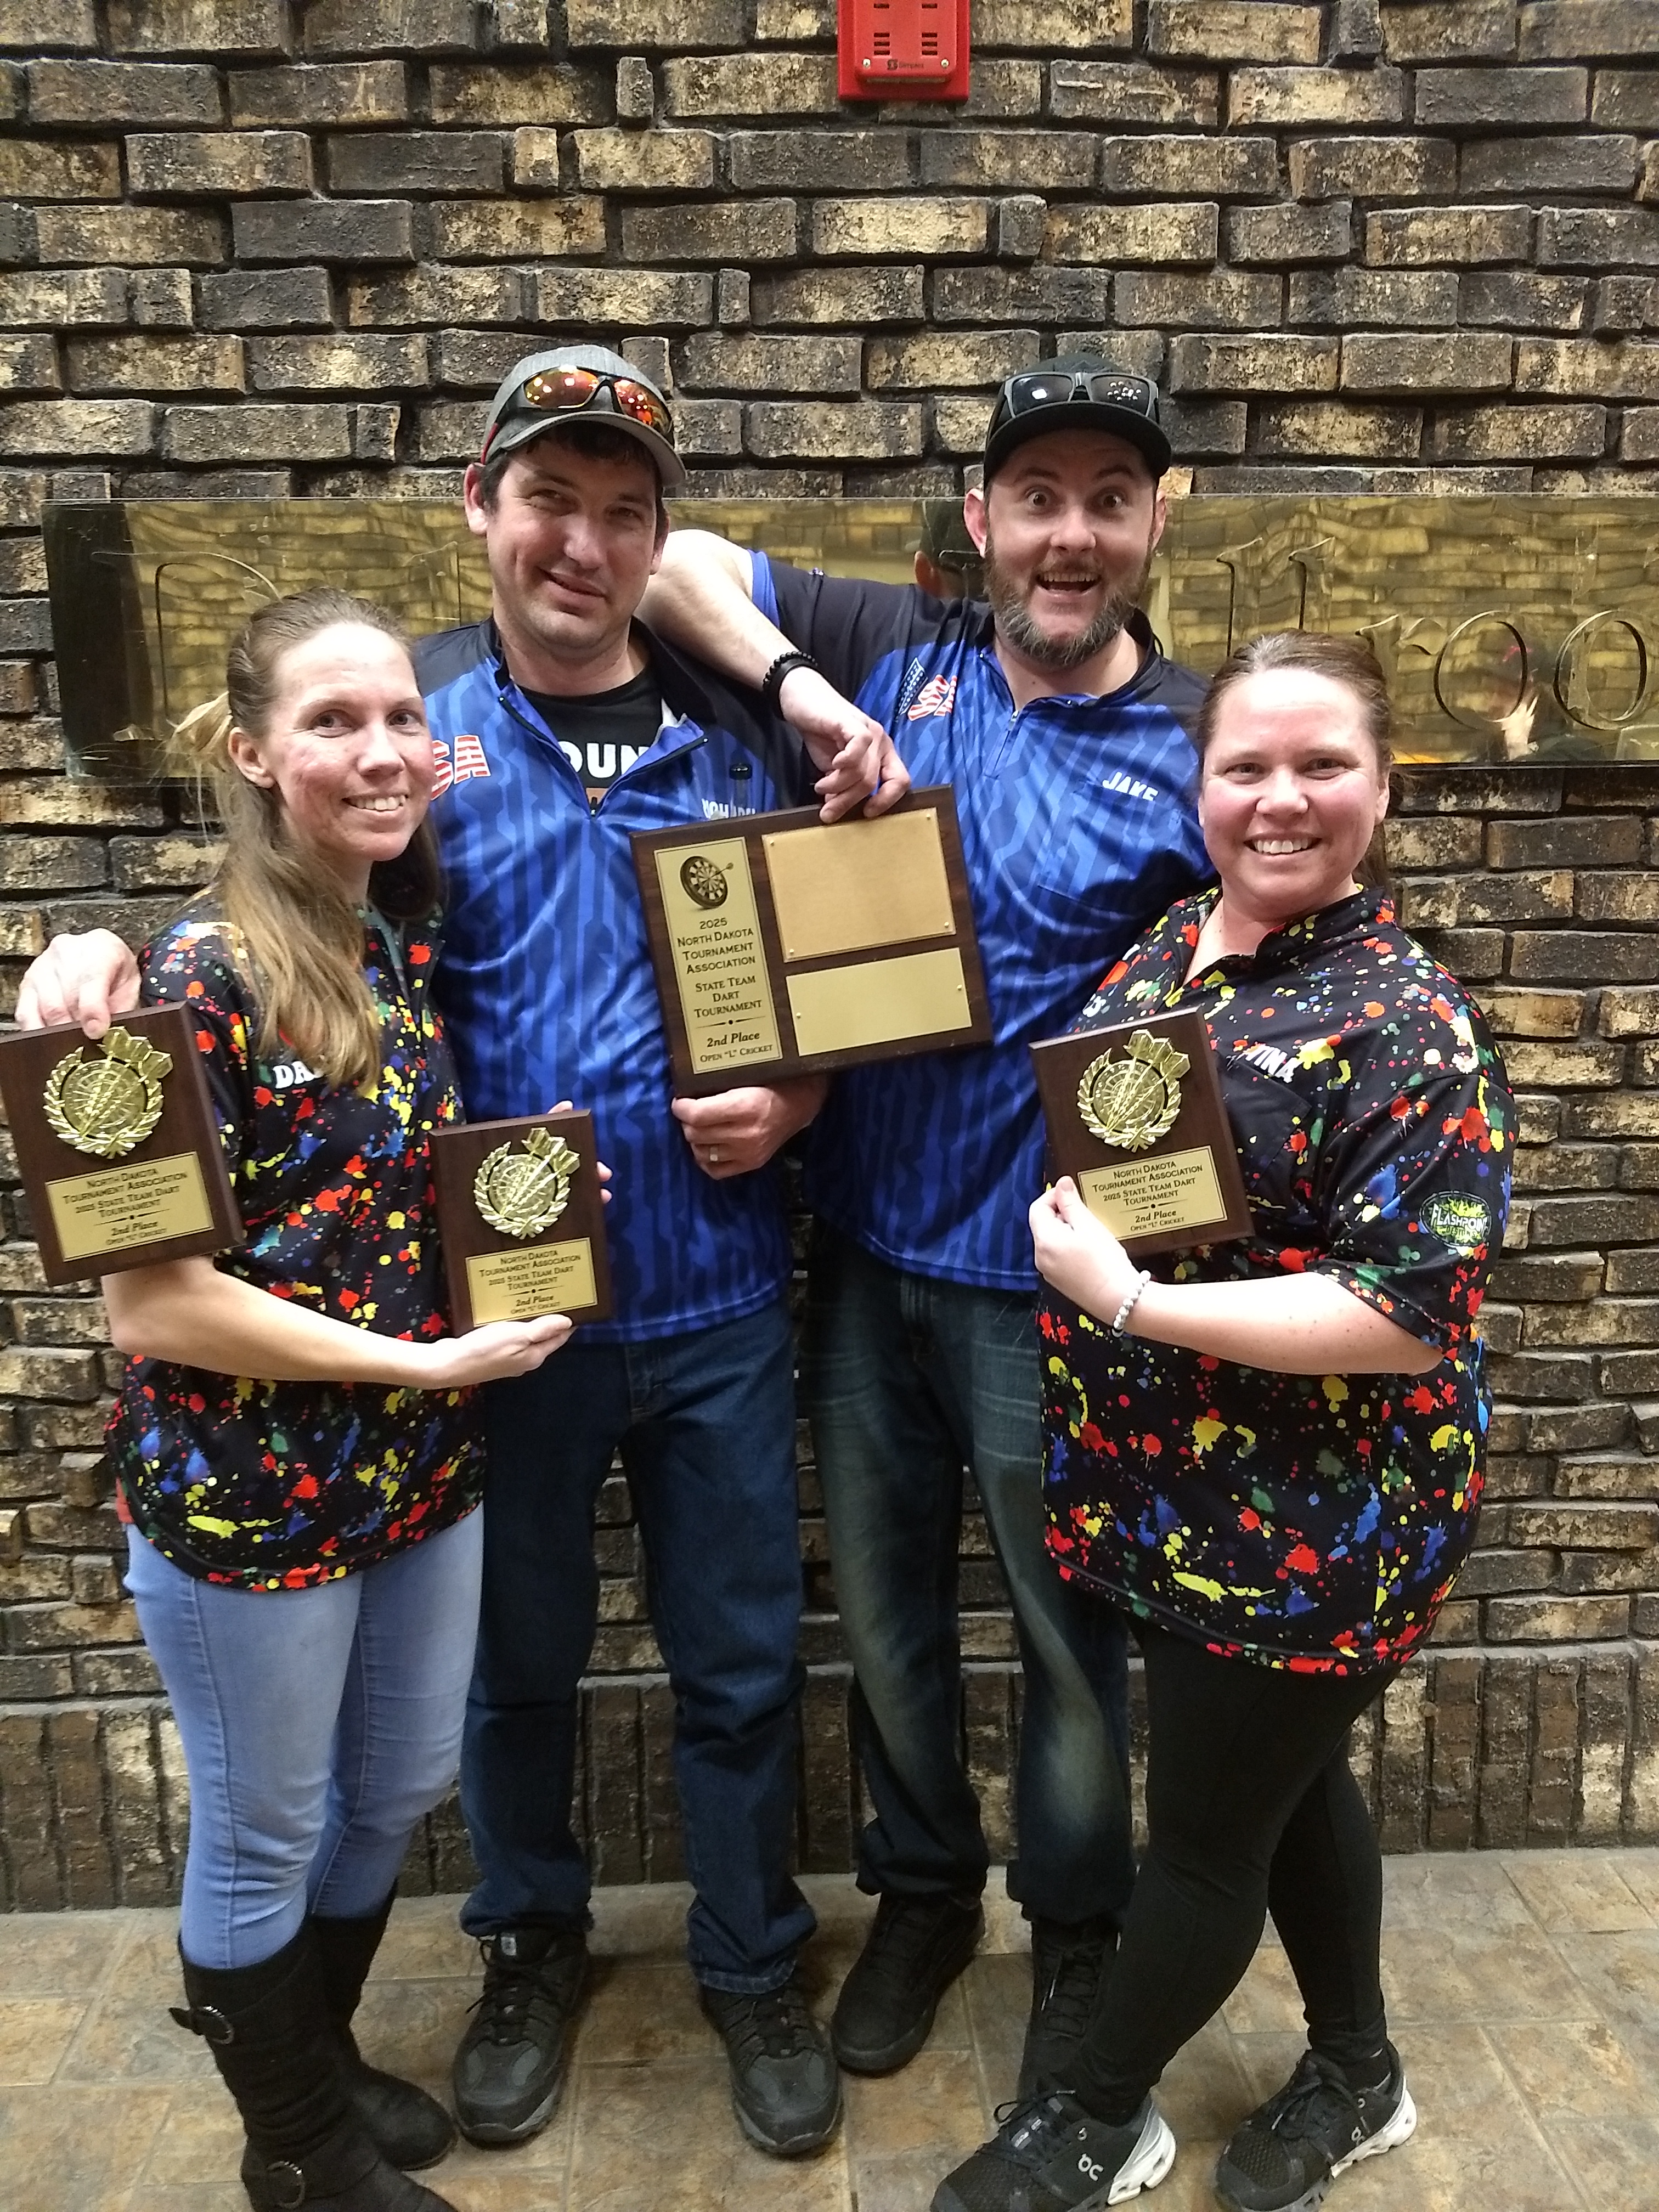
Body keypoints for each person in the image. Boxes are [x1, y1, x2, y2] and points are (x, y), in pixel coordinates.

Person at [19, 346, 905, 2164]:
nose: (583, 543)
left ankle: (751, 1962)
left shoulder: (749, 737)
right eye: (547, 500)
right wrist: (92, 950)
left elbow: (831, 983)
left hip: (723, 1300)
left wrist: (802, 1099)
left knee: (743, 1664)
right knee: (515, 1681)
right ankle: (529, 1948)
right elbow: (270, 903)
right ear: (480, 511)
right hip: (499, 1326)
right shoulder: (415, 741)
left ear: (659, 540)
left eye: (623, 512)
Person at [641, 358, 1213, 2091]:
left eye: (1108, 499)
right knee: (886, 1622)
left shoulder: (1199, 740)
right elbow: (676, 565)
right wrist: (810, 699)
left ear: (1154, 523)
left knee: (1065, 1642)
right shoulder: (901, 650)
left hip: (1050, 1286)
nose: (1070, 535)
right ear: (981, 521)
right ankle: (922, 1895)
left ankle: (1076, 1928)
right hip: (865, 1264)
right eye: (1037, 497)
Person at [932, 631, 1513, 2212]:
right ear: (1199, 787)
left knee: (1200, 1846)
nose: (1280, 798)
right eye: (1245, 765)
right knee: (1288, 1783)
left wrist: (1131, 1302)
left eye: (1323, 764)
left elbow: (1405, 1315)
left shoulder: (1406, 1021)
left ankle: (1095, 2118)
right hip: (1176, 1498)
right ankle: (1360, 2072)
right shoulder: (1182, 940)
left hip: (1315, 1522)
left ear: (1385, 790)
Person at [80, 591, 572, 2212]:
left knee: (400, 1786)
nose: (380, 752)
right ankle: (301, 2155)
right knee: (265, 1828)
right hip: (250, 1497)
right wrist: (420, 1362)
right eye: (332, 722)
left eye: (401, 718)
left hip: (416, 1472)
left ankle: (311, 2060)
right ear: (252, 754)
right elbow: (152, 1300)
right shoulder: (184, 978)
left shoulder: (390, 943)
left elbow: (362, 1205)